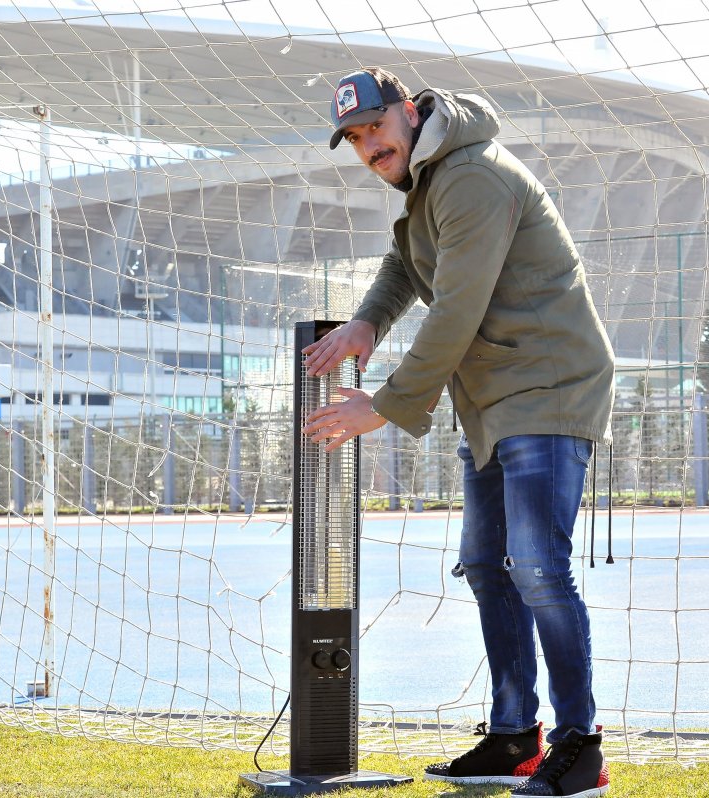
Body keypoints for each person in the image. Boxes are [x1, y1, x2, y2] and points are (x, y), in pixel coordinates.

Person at [300, 67, 615, 798]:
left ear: (410, 112)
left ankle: (581, 748)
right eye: (353, 138)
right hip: (495, 393)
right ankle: (513, 736)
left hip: (547, 384)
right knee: (484, 563)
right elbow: (406, 264)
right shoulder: (428, 183)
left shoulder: (471, 175)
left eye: (375, 127)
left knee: (537, 567)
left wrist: (377, 405)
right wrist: (368, 320)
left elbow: (455, 312)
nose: (368, 146)